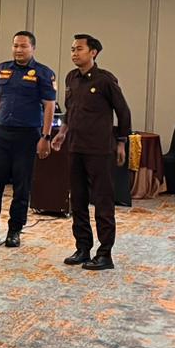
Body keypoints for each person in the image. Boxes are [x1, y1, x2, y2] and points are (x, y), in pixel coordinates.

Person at [51, 34, 131, 271]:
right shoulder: (71, 78)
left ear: (93, 52)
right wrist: (62, 132)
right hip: (75, 147)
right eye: (72, 49)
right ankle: (82, 248)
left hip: (99, 150)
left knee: (103, 202)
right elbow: (71, 110)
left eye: (79, 49)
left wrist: (121, 142)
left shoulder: (105, 80)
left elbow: (123, 112)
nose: (74, 53)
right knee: (77, 200)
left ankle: (105, 253)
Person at [0, 31, 56, 248]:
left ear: (33, 48)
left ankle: (14, 230)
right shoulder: (3, 68)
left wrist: (45, 136)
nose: (18, 50)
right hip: (2, 133)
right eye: (15, 45)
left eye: (23, 46)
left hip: (28, 135)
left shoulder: (43, 73)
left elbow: (49, 106)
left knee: (21, 185)